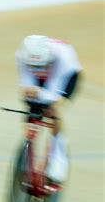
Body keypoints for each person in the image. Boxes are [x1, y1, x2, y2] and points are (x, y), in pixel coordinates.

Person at [16, 35, 81, 183]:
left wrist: (40, 93)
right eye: (34, 67)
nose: (38, 71)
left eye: (41, 67)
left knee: (53, 110)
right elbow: (26, 85)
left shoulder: (63, 58)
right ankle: (27, 151)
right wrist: (30, 93)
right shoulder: (21, 57)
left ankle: (59, 155)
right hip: (43, 71)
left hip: (65, 75)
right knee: (31, 107)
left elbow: (52, 95)